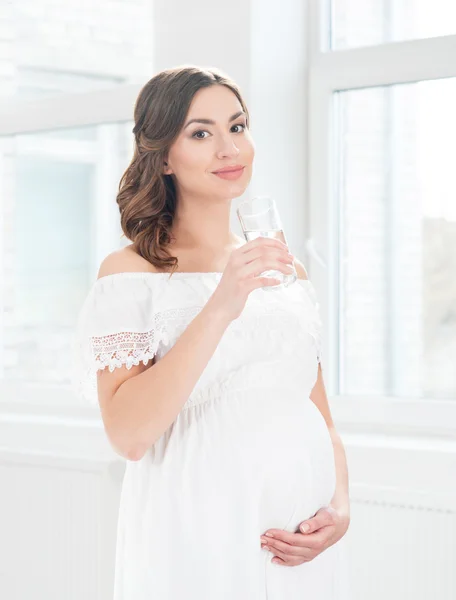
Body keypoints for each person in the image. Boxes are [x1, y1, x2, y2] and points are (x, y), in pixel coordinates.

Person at [73, 65, 351, 599]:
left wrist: (339, 509)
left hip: (302, 548)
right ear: (164, 156)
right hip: (199, 532)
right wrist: (222, 303)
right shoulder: (130, 275)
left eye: (238, 127)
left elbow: (321, 418)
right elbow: (130, 435)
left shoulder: (284, 269)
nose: (230, 149)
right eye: (201, 133)